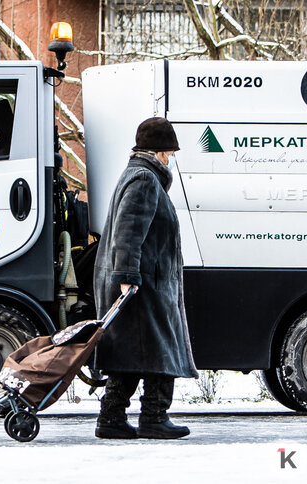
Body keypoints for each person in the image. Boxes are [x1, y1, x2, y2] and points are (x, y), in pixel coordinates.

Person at [93, 117, 198, 440]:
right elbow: (129, 230)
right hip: (143, 284)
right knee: (162, 349)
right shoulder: (144, 180)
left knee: (133, 351)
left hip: (141, 281)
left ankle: (111, 417)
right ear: (162, 152)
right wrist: (127, 276)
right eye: (171, 153)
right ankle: (154, 416)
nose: (172, 159)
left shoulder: (137, 175)